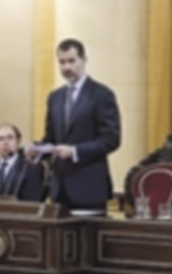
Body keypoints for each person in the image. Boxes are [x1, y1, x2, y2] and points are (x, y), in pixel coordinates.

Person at [27, 39, 121, 215]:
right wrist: (38, 151)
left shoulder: (101, 94)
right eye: (62, 62)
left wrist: (75, 151)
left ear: (84, 60)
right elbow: (52, 138)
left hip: (89, 186)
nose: (66, 67)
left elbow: (111, 139)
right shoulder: (55, 97)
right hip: (59, 189)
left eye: (71, 61)